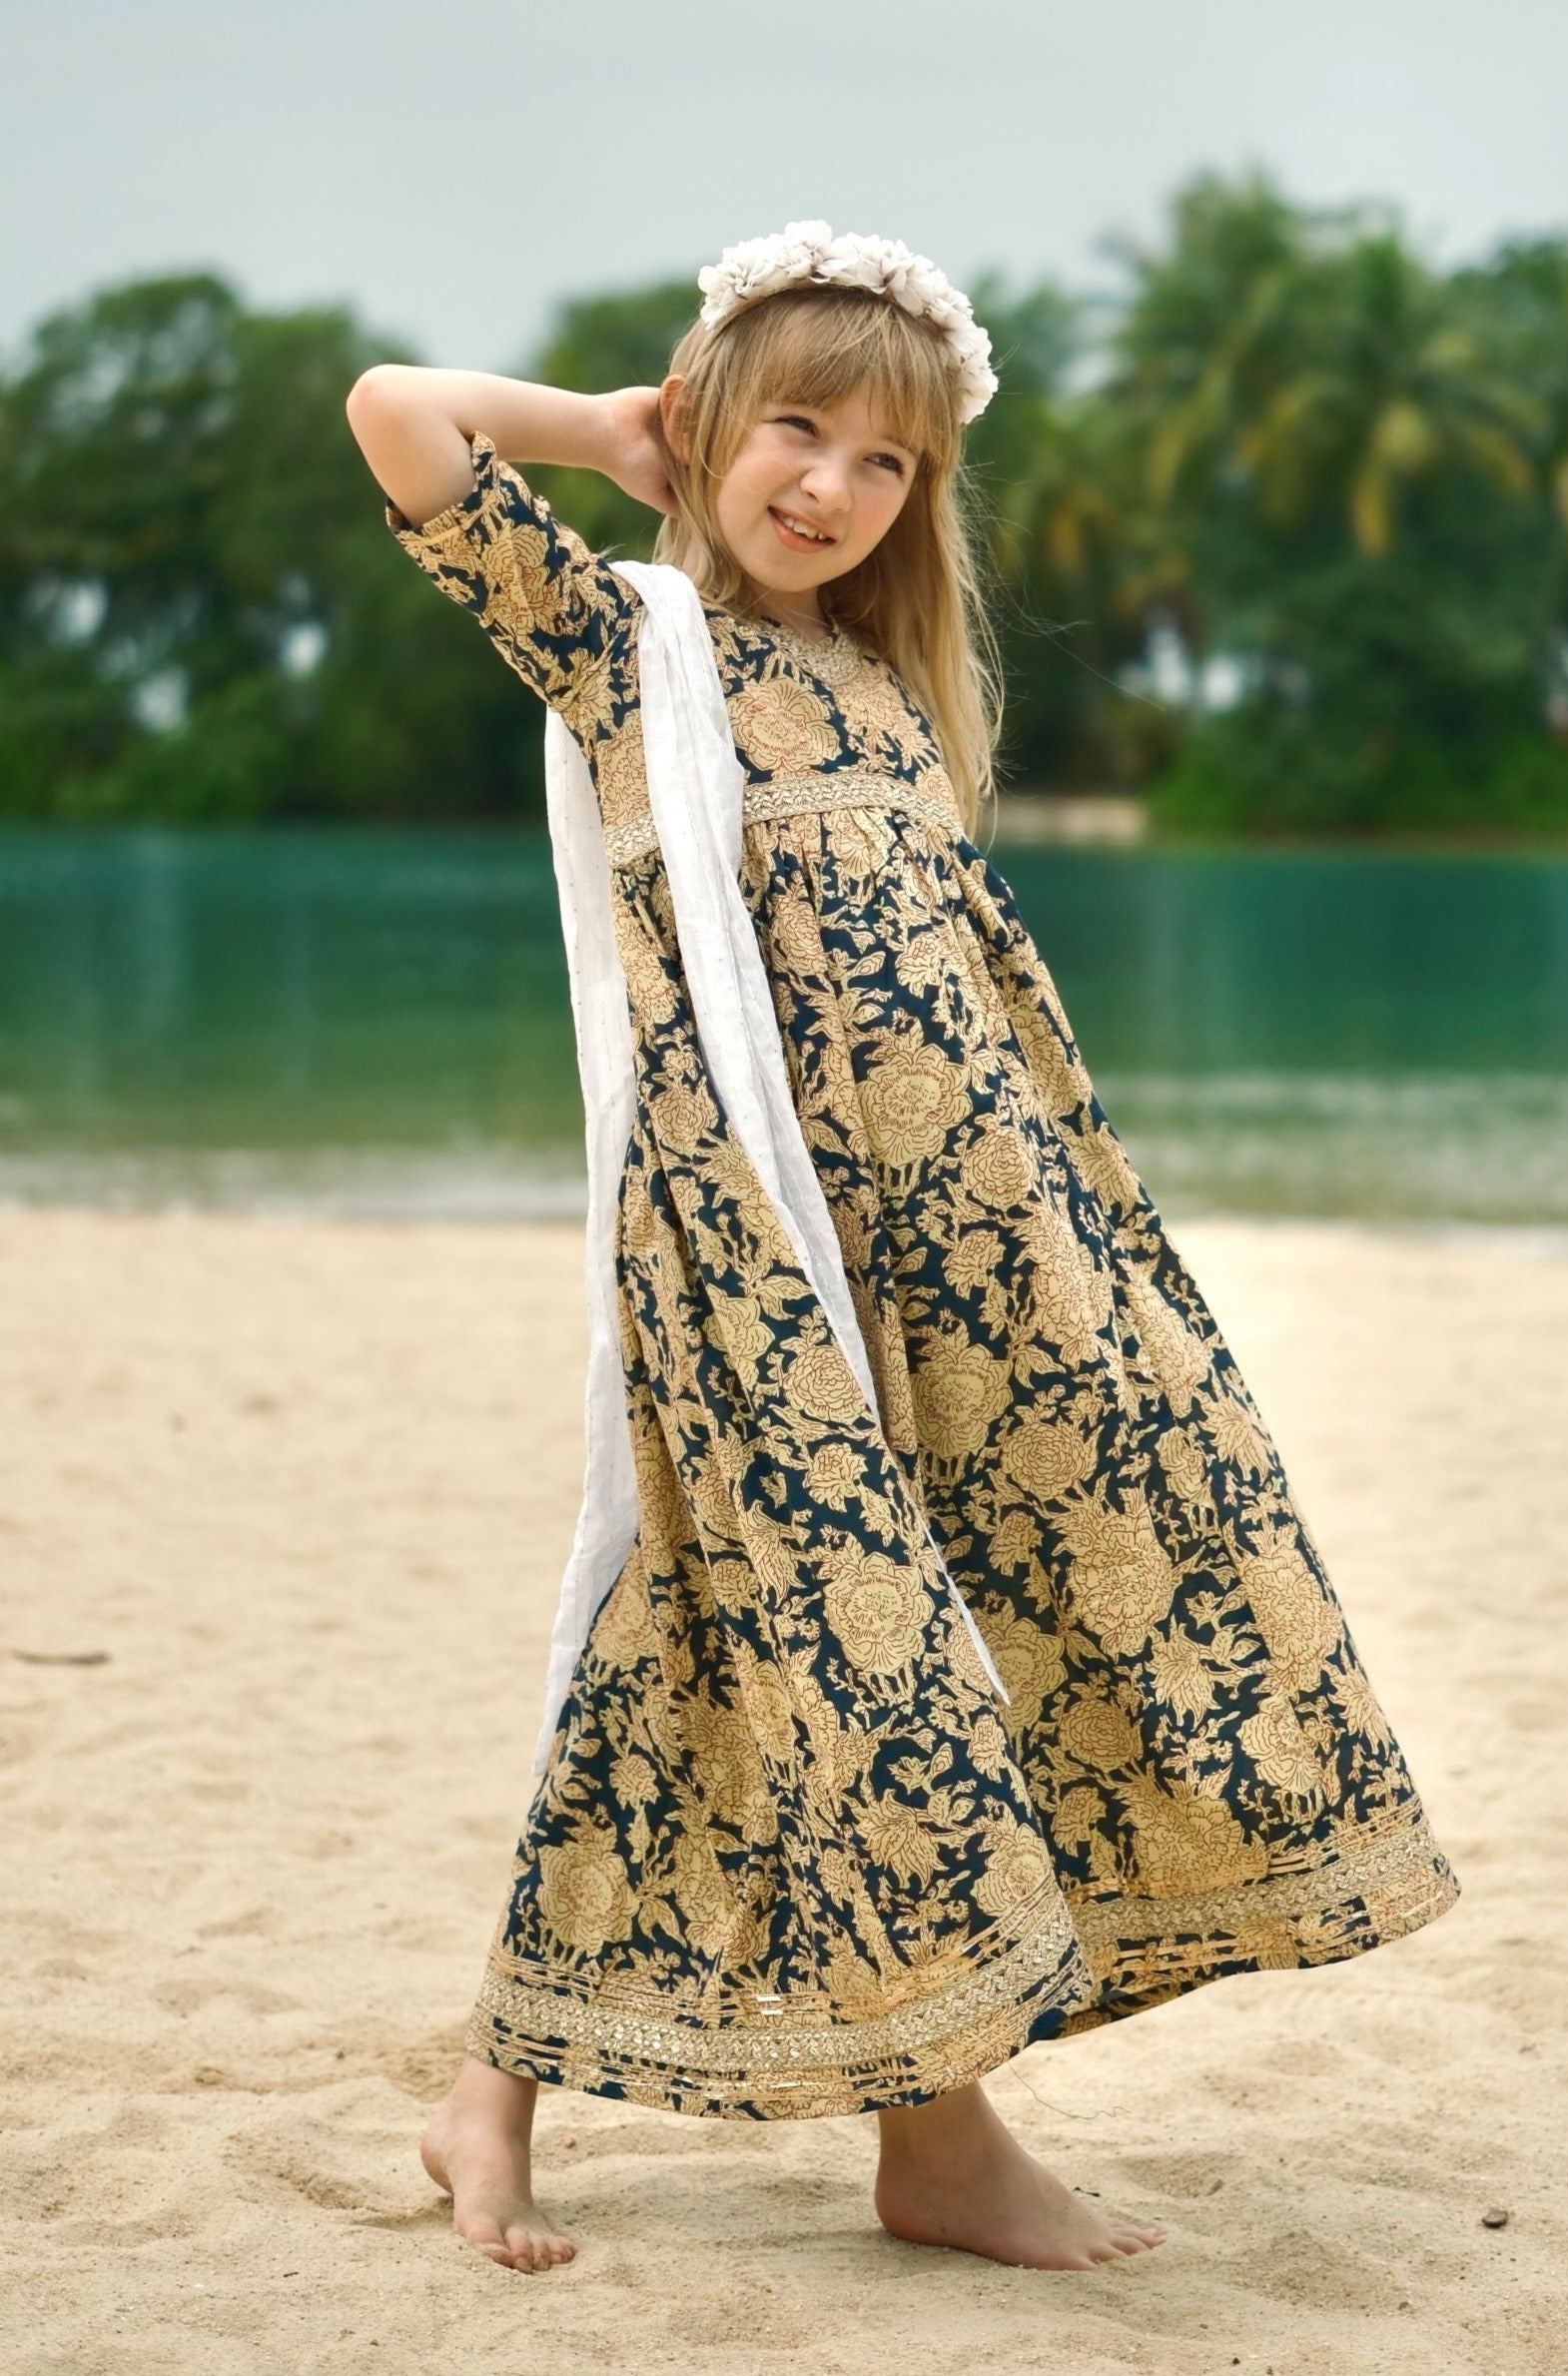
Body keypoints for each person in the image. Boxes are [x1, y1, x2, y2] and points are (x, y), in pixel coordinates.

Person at [345, 222, 1458, 2278]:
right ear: (711, 417)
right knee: (857, 1650)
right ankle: (938, 2145)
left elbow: (971, 1001)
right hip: (768, 1249)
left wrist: (1073, 1247)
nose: (832, 487)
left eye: (887, 463)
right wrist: (612, 433)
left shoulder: (881, 689)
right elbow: (395, 417)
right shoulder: (629, 648)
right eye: (796, 430)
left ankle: (493, 2089)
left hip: (987, 1253)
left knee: (792, 1632)